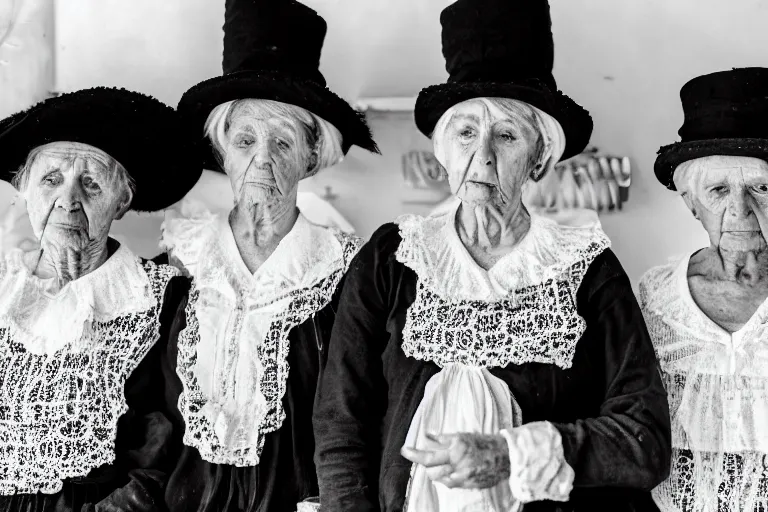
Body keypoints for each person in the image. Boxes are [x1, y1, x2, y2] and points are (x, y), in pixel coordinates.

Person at [313, 0, 671, 511]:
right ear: (443, 151)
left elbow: (645, 438)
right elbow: (340, 421)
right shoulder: (392, 258)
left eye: (506, 135)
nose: (482, 156)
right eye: (465, 133)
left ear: (539, 158)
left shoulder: (587, 266)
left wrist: (513, 455)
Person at [157, 1, 379, 511]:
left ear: (309, 157)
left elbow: (361, 412)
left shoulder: (346, 270)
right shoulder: (177, 262)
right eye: (245, 140)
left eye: (282, 142)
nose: (261, 159)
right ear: (223, 153)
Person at [0, 87, 200, 511]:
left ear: (122, 200)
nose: (68, 200)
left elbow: (165, 453)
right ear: (24, 188)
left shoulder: (162, 301)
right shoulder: (3, 288)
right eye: (51, 179)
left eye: (90, 183)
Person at [640, 67, 768, 512]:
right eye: (718, 190)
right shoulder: (652, 300)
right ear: (692, 203)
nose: (740, 211)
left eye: (762, 187)